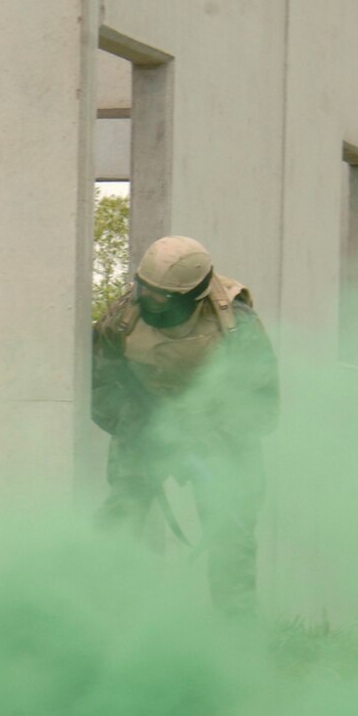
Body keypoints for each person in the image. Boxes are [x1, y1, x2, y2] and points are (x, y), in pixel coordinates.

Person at [91, 236, 280, 617]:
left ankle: (236, 638)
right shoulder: (123, 318)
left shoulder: (237, 326)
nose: (147, 300)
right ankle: (99, 620)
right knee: (117, 523)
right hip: (144, 428)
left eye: (160, 297)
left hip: (219, 438)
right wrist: (146, 432)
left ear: (189, 298)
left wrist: (205, 440)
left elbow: (261, 405)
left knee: (233, 536)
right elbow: (100, 389)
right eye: (144, 288)